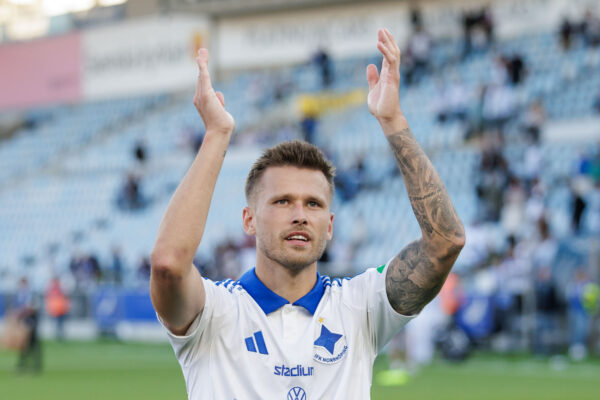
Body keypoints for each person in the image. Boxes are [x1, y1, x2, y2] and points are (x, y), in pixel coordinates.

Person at [150, 29, 465, 399]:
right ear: (249, 220)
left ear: (329, 225)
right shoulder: (214, 312)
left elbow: (446, 242)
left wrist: (393, 120)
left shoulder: (359, 306)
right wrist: (217, 133)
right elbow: (168, 265)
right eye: (282, 201)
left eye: (313, 204)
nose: (300, 215)